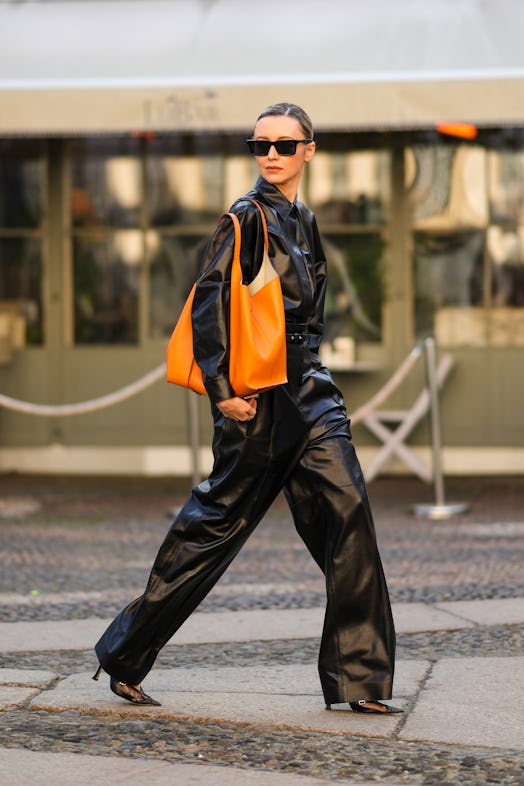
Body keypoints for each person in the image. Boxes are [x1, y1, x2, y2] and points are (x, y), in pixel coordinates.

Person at [93, 102, 401, 715]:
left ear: (309, 151)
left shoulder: (305, 220)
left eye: (285, 146)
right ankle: (125, 654)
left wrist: (314, 370)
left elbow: (308, 310)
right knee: (212, 528)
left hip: (312, 391)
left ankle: (360, 679)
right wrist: (222, 391)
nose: (271, 155)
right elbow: (209, 306)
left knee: (351, 517)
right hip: (257, 401)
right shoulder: (244, 219)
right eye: (260, 144)